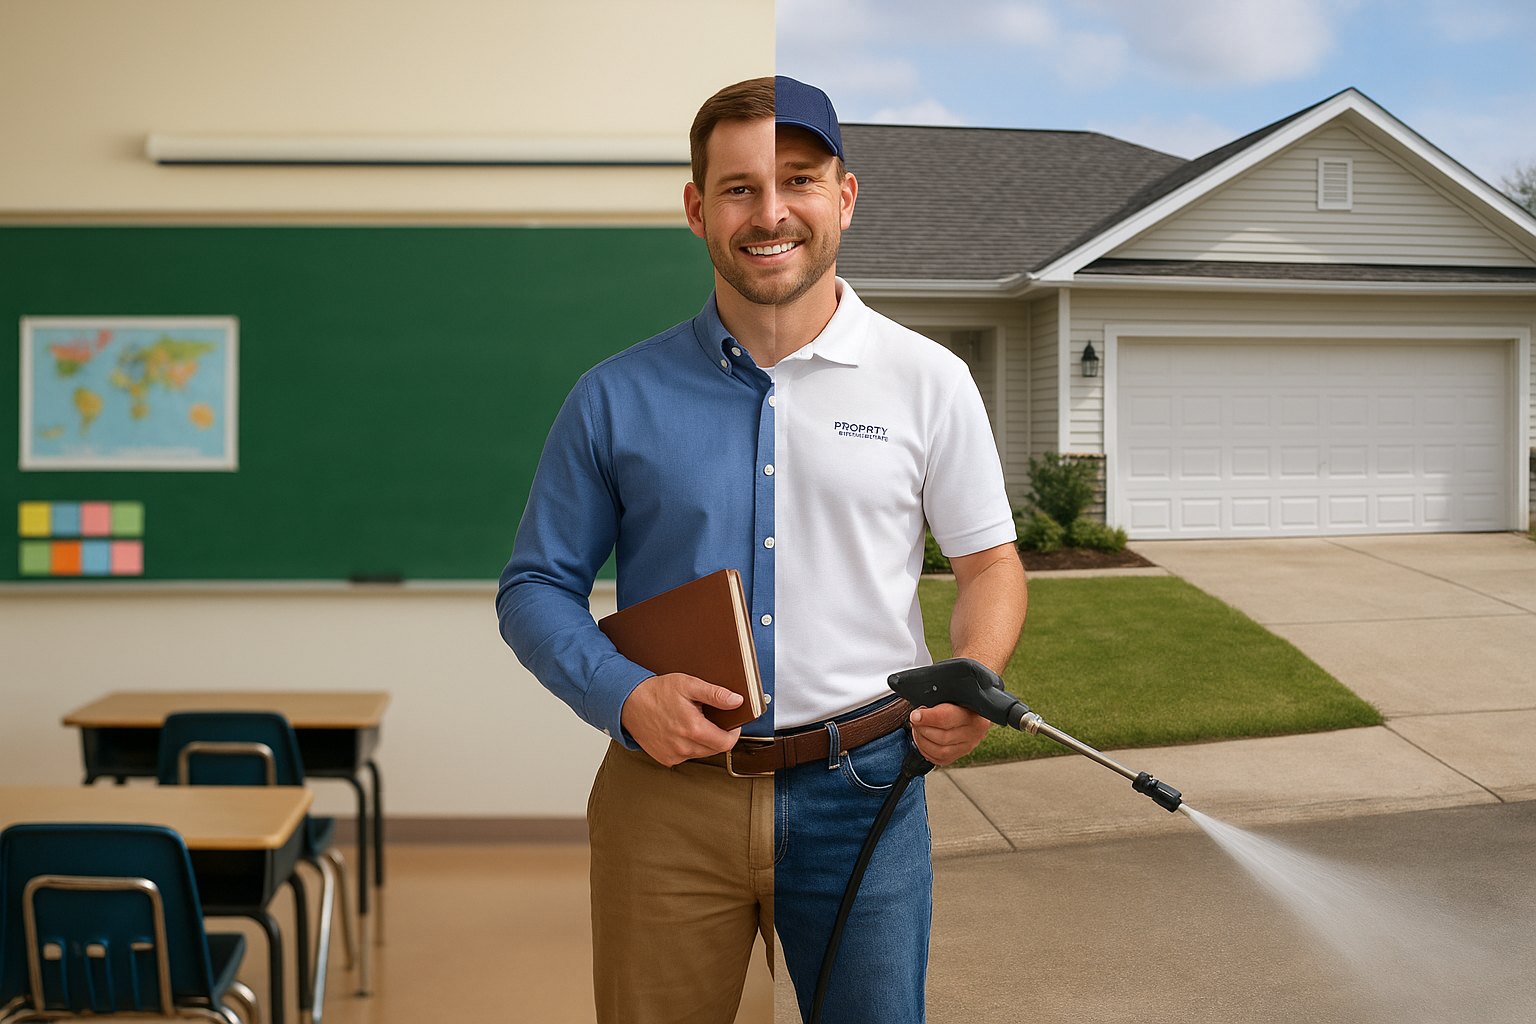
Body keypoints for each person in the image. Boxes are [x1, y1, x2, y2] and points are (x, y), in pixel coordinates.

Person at [498, 76, 1026, 1024]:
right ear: (697, 209)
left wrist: (974, 673)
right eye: (739, 187)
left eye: (799, 180)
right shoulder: (613, 396)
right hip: (666, 799)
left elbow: (990, 565)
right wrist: (624, 697)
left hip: (865, 787)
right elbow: (535, 586)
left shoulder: (930, 382)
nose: (770, 212)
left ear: (845, 197)